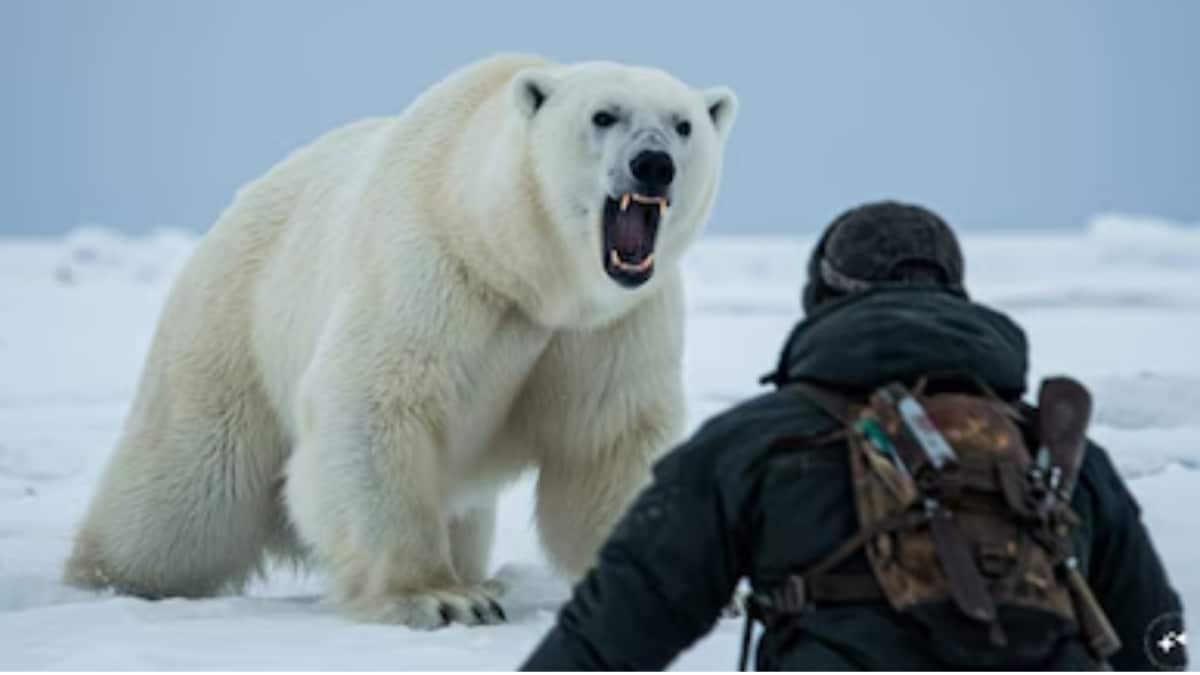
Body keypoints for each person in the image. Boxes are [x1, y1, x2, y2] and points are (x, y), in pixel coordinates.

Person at [519, 200, 1186, 671]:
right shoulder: (1060, 453)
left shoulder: (753, 445)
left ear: (821, 298)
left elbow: (608, 635)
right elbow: (1158, 637)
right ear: (957, 297)